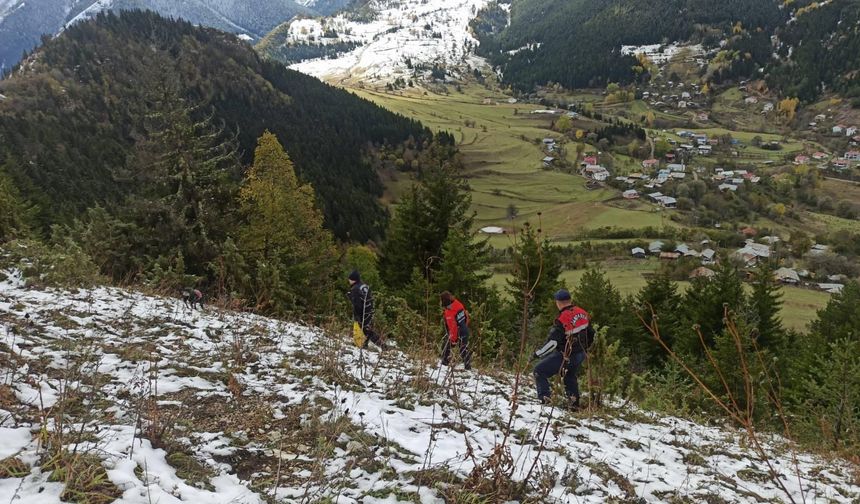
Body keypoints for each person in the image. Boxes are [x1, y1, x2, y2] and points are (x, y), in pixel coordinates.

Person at [532, 289, 594, 409]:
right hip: (580, 354)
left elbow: (553, 343)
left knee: (539, 371)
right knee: (569, 375)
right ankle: (574, 405)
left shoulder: (562, 319)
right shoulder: (583, 313)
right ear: (570, 300)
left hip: (567, 355)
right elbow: (591, 333)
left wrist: (538, 354)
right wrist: (585, 348)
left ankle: (545, 401)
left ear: (558, 302)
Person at [346, 270, 384, 350]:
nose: (348, 280)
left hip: (362, 313)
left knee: (367, 330)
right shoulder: (365, 286)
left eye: (349, 279)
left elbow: (357, 304)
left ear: (353, 279)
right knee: (367, 330)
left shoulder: (355, 289)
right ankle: (365, 345)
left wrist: (357, 316)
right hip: (369, 310)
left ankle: (383, 346)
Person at [439, 291, 472, 370]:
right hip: (464, 330)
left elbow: (452, 327)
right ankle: (468, 366)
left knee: (446, 346)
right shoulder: (458, 304)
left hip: (457, 332)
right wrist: (464, 326)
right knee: (463, 349)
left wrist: (453, 339)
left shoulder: (449, 313)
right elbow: (466, 316)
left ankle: (444, 363)